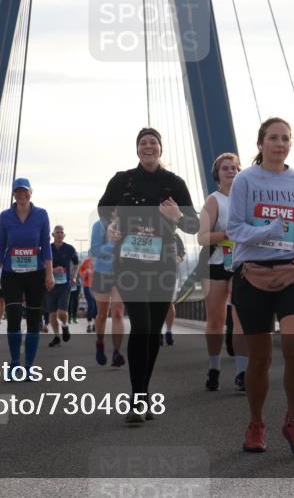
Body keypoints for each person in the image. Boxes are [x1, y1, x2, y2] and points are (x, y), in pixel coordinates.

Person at [227, 117, 294, 454]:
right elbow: (234, 229)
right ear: (260, 143)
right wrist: (267, 231)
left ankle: (293, 421)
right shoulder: (245, 180)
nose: (279, 144)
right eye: (273, 138)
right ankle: (256, 423)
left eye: (285, 138)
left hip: (293, 272)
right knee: (260, 358)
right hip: (252, 274)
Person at [98, 127, 199, 424]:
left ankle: (143, 394)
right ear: (137, 149)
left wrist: (176, 217)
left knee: (153, 331)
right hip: (129, 264)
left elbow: (193, 225)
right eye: (143, 142)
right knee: (141, 326)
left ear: (160, 149)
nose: (148, 146)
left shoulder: (174, 183)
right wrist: (111, 227)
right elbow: (104, 209)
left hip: (163, 264)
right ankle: (137, 398)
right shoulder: (122, 180)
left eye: (153, 142)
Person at [0, 178, 53, 378]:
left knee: (34, 321)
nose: (21, 195)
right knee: (14, 320)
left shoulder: (41, 215)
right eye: (17, 192)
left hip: (36, 275)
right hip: (12, 275)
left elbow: (46, 246)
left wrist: (49, 273)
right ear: (14, 195)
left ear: (30, 193)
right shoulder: (5, 216)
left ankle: (29, 366)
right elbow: (0, 247)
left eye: (24, 192)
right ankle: (15, 364)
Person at [197, 152, 248, 392]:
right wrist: (227, 234)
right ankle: (214, 367)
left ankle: (241, 373)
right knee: (216, 320)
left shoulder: (248, 199)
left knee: (240, 321)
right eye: (225, 168)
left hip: (241, 264)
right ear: (217, 174)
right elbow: (202, 237)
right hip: (216, 263)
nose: (230, 171)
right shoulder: (213, 200)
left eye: (234, 168)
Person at [90, 217, 126, 367]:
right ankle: (100, 344)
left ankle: (117, 352)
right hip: (102, 272)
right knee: (102, 314)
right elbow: (95, 250)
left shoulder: (130, 222)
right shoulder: (99, 224)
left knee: (117, 312)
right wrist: (113, 244)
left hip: (123, 273)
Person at [46, 225, 79, 347]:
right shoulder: (47, 248)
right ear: (53, 235)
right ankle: (56, 337)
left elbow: (76, 264)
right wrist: (53, 270)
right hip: (50, 285)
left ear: (64, 235)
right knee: (52, 313)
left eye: (61, 232)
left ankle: (64, 326)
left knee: (61, 312)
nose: (59, 234)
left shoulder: (70, 248)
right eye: (57, 232)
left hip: (64, 285)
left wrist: (74, 277)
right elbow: (42, 265)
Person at [160, 233, 186, 346]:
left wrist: (179, 257)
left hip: (171, 273)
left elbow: (182, 251)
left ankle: (169, 331)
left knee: (169, 303)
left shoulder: (174, 234)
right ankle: (158, 332)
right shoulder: (149, 231)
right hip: (152, 275)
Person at [80, 257, 98, 332]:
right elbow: (81, 271)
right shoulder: (87, 261)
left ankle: (95, 324)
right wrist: (85, 273)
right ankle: (89, 324)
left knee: (97, 306)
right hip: (87, 286)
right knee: (91, 305)